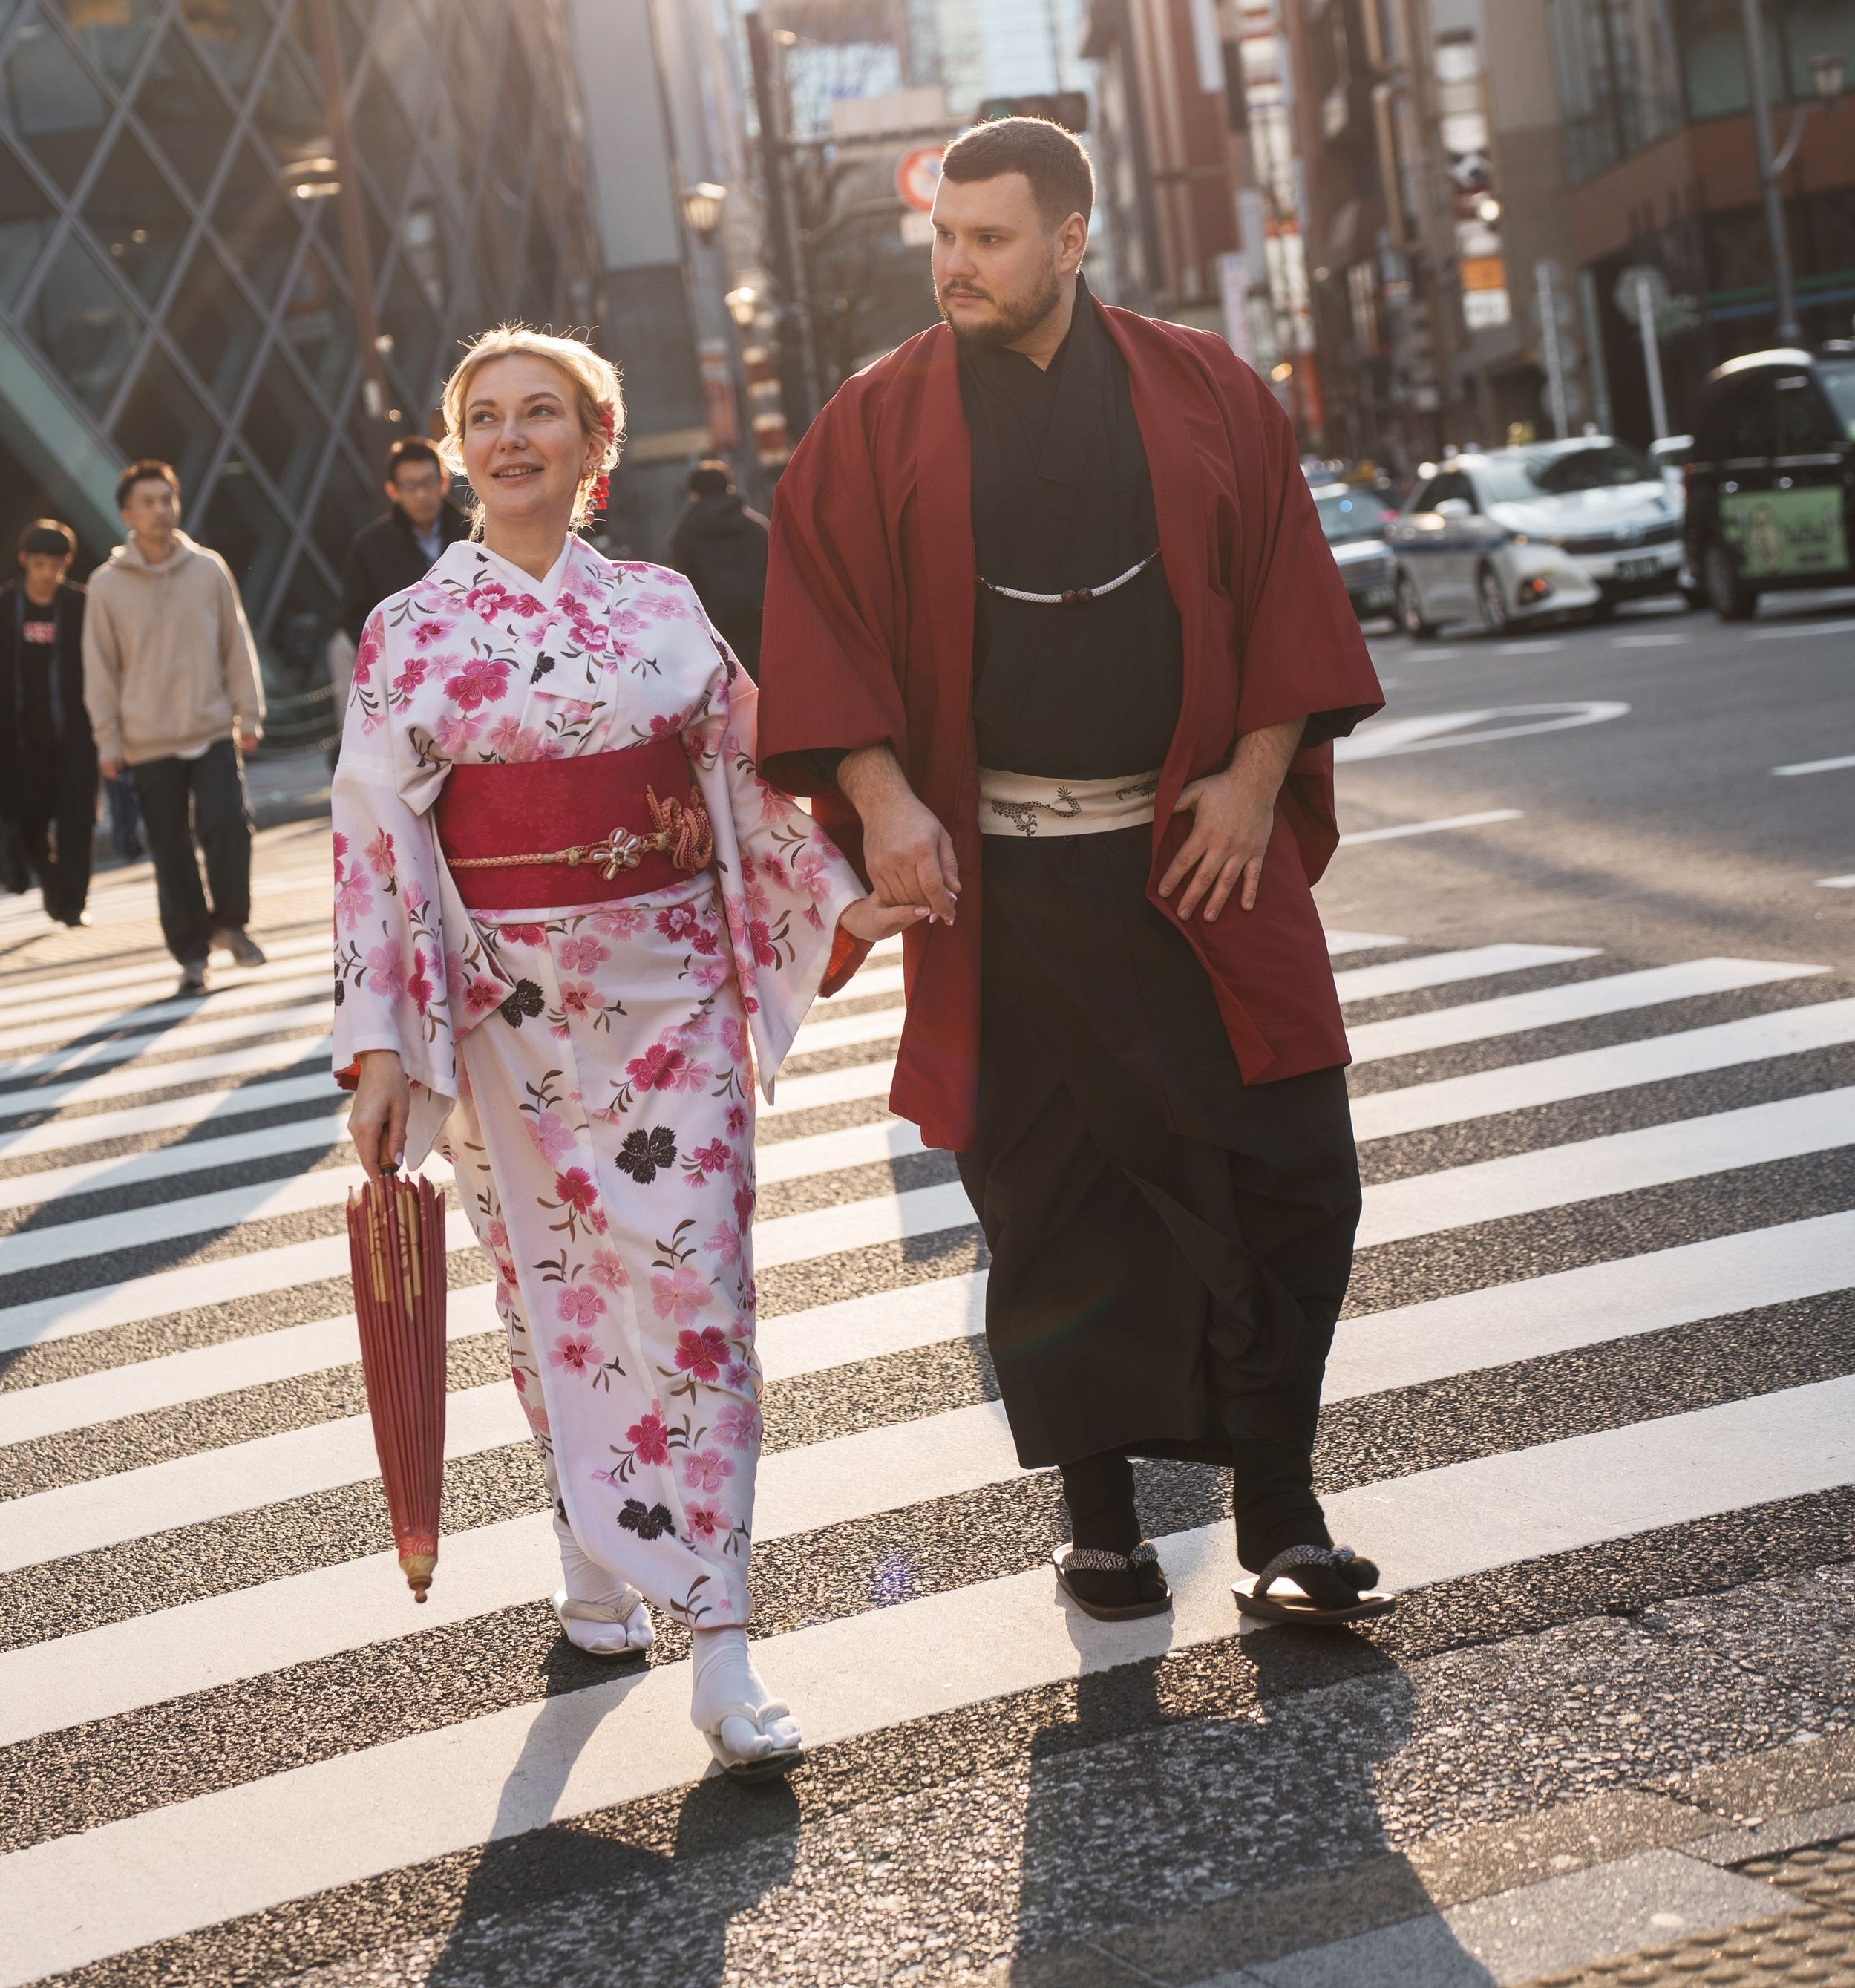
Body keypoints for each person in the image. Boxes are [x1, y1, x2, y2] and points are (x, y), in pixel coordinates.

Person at [757, 117, 1394, 1632]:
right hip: (1003, 893)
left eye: (986, 238)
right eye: (942, 238)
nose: (955, 265)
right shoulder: (868, 424)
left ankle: (1279, 1510)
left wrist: (1252, 784)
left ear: (1069, 238)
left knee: (1295, 1175)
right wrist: (882, 792)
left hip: (1195, 873)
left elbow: (1287, 595)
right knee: (1054, 1202)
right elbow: (820, 632)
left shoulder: (1205, 392)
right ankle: (1101, 1517)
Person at [336, 328, 924, 1774]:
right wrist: (382, 1047)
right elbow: (373, 840)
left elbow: (751, 785)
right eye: (487, 416)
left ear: (597, 445)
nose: (513, 437)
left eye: (544, 414)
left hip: (674, 1019)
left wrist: (855, 882)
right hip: (503, 1026)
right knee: (556, 1308)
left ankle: (719, 1642)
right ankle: (594, 1562)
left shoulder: (662, 609)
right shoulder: (410, 629)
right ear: (459, 445)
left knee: (699, 1302)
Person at [83, 461, 268, 998]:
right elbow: (100, 670)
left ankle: (232, 924)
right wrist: (108, 742)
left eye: (168, 499)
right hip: (145, 741)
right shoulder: (105, 586)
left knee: (229, 824)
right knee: (171, 849)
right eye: (149, 501)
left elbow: (236, 644)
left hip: (210, 728)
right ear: (126, 514)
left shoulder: (208, 568)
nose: (161, 509)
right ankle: (191, 954)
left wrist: (249, 713)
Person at [0, 521, 99, 926]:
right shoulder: (1, 607)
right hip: (20, 739)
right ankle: (51, 884)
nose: (47, 573)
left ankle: (73, 905)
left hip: (75, 736)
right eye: (39, 564)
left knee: (77, 821)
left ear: (67, 563)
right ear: (24, 561)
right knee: (27, 819)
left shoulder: (81, 605)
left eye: (55, 564)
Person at [330, 437, 471, 729]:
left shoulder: (475, 533)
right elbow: (355, 617)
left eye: (429, 482)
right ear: (393, 491)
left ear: (444, 483)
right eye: (410, 486)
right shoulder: (369, 546)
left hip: (472, 665)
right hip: (405, 675)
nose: (422, 494)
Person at [666, 459, 771, 679]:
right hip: (761, 626)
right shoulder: (756, 527)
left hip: (715, 634)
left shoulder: (684, 534)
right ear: (729, 486)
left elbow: (686, 588)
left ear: (693, 493)